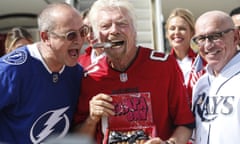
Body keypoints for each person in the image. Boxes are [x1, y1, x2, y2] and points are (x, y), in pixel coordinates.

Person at [73, 0, 195, 144]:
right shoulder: (89, 77)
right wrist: (91, 119)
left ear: (135, 30)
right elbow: (78, 138)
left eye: (122, 24)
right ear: (97, 37)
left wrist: (169, 143)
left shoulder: (164, 66)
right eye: (105, 26)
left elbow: (186, 123)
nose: (114, 31)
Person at [0, 2, 88, 143]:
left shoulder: (76, 73)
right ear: (46, 37)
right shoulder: (10, 71)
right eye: (71, 35)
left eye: (83, 32)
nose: (79, 40)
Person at [191, 10, 240, 144]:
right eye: (201, 38)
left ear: (236, 37)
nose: (208, 45)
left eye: (215, 36)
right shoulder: (201, 84)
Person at [165, 8, 197, 104]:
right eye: (172, 28)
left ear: (192, 33)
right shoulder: (161, 65)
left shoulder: (203, 62)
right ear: (167, 34)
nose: (176, 32)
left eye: (182, 28)